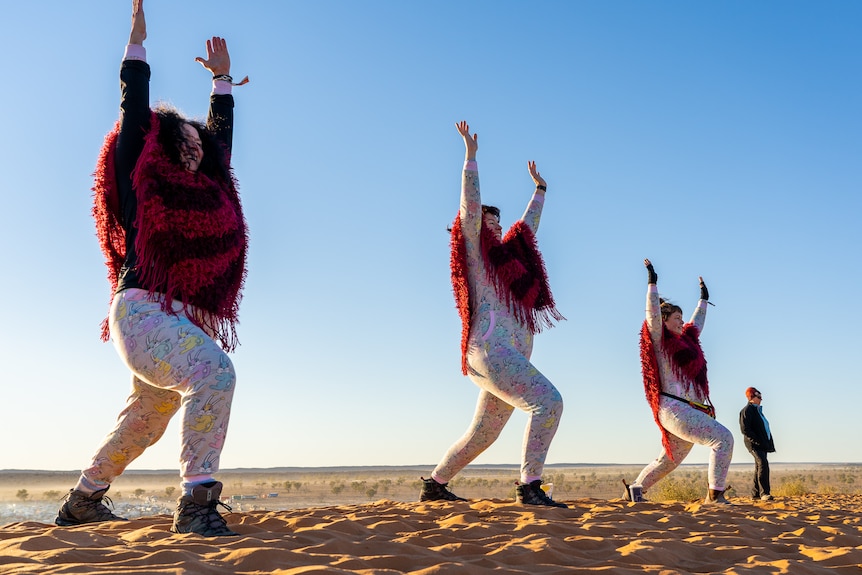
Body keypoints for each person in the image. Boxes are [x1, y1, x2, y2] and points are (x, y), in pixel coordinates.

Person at [55, 0, 248, 536]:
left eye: (197, 143)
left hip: (184, 321)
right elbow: (134, 113)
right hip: (142, 312)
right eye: (182, 141)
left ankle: (82, 500)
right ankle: (198, 505)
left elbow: (222, 141)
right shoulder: (144, 180)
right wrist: (135, 48)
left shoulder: (206, 187)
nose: (194, 149)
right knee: (216, 374)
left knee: (143, 421)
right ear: (159, 146)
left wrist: (223, 82)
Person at [420, 121, 567, 508]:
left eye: (498, 222)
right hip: (489, 351)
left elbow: (527, 230)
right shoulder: (474, 255)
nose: (497, 226)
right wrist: (471, 158)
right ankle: (529, 486)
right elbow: (469, 207)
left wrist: (540, 191)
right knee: (549, 402)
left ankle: (435, 484)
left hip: (508, 357)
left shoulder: (509, 266)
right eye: (491, 221)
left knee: (484, 433)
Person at [624, 259, 734, 504]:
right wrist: (652, 284)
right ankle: (715, 496)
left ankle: (634, 491)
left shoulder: (688, 342)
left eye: (682, 317)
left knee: (668, 460)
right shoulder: (659, 340)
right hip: (673, 408)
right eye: (676, 317)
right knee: (723, 439)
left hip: (686, 410)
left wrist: (703, 300)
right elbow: (652, 314)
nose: (681, 322)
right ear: (664, 320)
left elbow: (697, 324)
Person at [739, 387, 776, 501]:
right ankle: (764, 493)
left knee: (759, 466)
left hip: (762, 444)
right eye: (759, 397)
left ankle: (755, 494)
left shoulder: (757, 411)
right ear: (751, 398)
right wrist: (757, 441)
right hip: (754, 444)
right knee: (763, 463)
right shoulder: (747, 410)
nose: (761, 399)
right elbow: (745, 430)